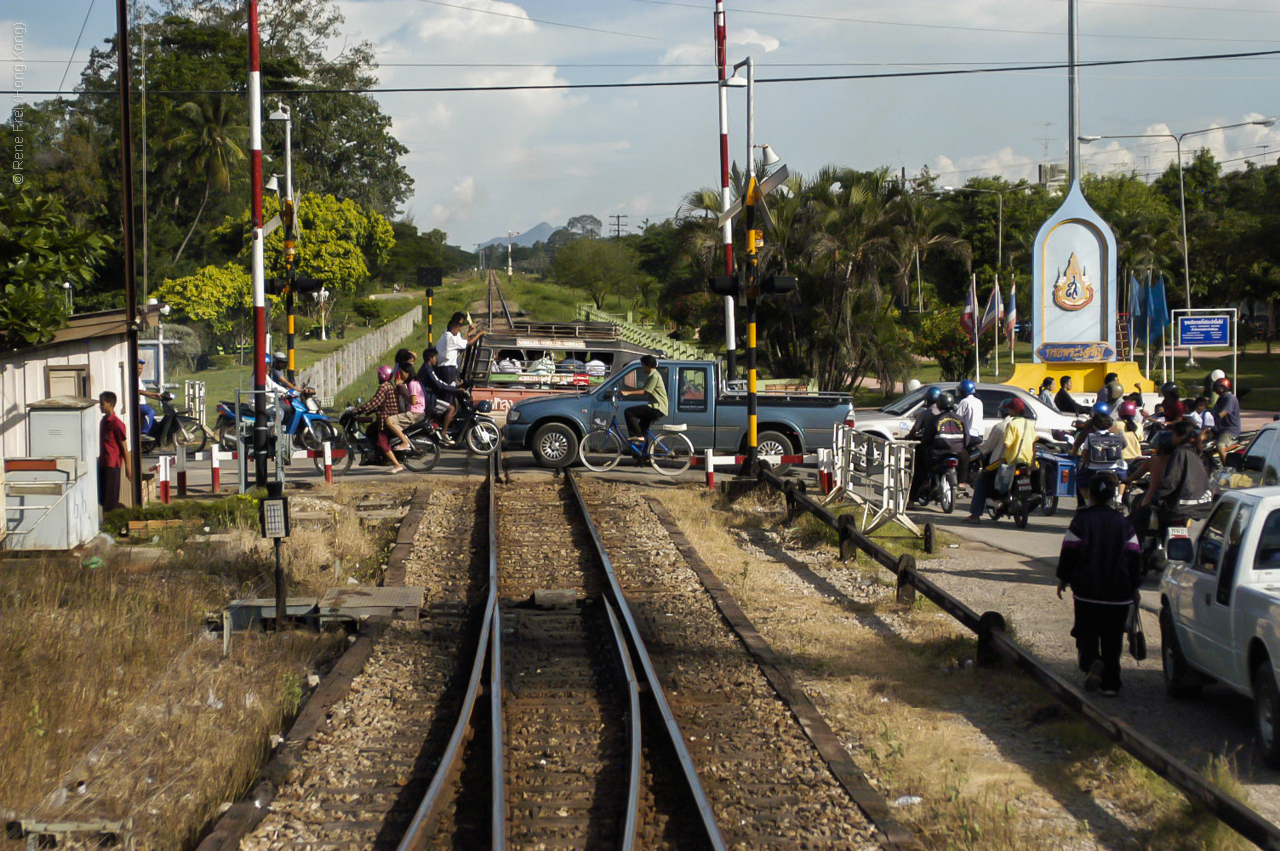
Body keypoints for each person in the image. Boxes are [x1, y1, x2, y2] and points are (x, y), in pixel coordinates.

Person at [1055, 474, 1142, 696]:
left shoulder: (1081, 522)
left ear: (1090, 494)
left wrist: (1063, 578)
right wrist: (1135, 587)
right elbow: (1134, 558)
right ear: (1113, 495)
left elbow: (1069, 554)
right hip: (1119, 593)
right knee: (1113, 638)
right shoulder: (1125, 524)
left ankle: (1091, 664)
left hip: (1087, 591)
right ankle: (1111, 684)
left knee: (1086, 632)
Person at [1131, 419, 1215, 537]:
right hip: (1200, 506)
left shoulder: (1180, 453)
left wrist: (1155, 500)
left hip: (1180, 508)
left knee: (1138, 518)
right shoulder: (1195, 453)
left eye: (1174, 434)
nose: (1172, 438)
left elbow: (1170, 482)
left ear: (1180, 436)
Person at [965, 397, 1036, 523]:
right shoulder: (1029, 424)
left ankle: (975, 515)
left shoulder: (1005, 425)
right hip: (1026, 461)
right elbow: (1033, 444)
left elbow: (999, 446)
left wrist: (1002, 460)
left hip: (1008, 461)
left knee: (981, 480)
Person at [909, 392, 966, 504]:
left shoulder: (935, 419)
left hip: (937, 453)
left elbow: (926, 439)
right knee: (965, 456)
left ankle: (912, 498)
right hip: (957, 452)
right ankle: (962, 482)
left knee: (918, 467)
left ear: (939, 405)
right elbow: (967, 438)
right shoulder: (960, 419)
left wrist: (924, 443)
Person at [350, 366, 404, 472]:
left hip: (386, 420)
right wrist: (368, 411)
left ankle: (397, 465)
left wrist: (358, 410)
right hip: (387, 417)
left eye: (379, 374)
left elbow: (374, 402)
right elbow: (379, 404)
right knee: (370, 430)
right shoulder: (389, 386)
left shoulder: (383, 387)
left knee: (382, 442)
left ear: (384, 375)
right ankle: (380, 456)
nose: (378, 376)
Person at [1074, 402, 1128, 504]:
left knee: (1079, 479)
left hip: (1094, 468)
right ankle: (1119, 498)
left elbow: (1084, 453)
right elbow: (1124, 445)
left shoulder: (1090, 435)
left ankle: (1087, 501)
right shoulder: (1117, 433)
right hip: (1114, 467)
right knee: (1123, 478)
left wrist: (1086, 463)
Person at [620, 355, 667, 461]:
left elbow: (644, 391)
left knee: (629, 412)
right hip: (656, 407)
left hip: (657, 407)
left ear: (647, 365)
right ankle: (643, 457)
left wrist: (627, 393)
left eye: (642, 365)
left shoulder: (654, 375)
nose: (642, 368)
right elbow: (644, 389)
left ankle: (637, 436)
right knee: (643, 429)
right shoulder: (653, 375)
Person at [97, 391, 131, 513]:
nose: (100, 406)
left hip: (112, 464)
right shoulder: (104, 421)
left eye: (102, 404)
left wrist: (128, 468)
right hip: (103, 462)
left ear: (110, 404)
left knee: (110, 501)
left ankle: (122, 516)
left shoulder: (116, 423)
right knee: (102, 499)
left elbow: (124, 447)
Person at [417, 347, 457, 442]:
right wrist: (455, 390)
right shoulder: (428, 370)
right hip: (429, 399)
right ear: (430, 358)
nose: (436, 360)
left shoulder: (428, 367)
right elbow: (439, 384)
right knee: (451, 408)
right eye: (435, 358)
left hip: (429, 396)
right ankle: (444, 432)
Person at [385, 363, 426, 453]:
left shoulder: (412, 383)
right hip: (415, 412)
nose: (400, 375)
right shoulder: (413, 382)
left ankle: (405, 442)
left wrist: (404, 394)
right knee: (395, 426)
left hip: (415, 413)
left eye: (401, 373)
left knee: (389, 421)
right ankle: (404, 442)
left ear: (407, 373)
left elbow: (413, 401)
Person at [436, 313, 485, 385]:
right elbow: (469, 343)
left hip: (443, 367)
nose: (459, 329)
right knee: (450, 390)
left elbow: (463, 343)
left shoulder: (446, 335)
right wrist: (480, 333)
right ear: (453, 328)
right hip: (448, 368)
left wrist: (469, 332)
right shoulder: (451, 338)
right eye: (458, 326)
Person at [954, 379, 983, 486]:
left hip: (969, 435)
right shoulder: (978, 402)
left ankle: (961, 480)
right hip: (979, 435)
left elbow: (957, 418)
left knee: (962, 455)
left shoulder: (964, 402)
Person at [1207, 377, 1241, 460]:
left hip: (1230, 430)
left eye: (1217, 386)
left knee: (1220, 445)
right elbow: (1213, 412)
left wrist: (1215, 415)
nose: (1215, 388)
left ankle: (1226, 467)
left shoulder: (1230, 398)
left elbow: (1223, 413)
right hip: (1219, 429)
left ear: (1223, 387)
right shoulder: (1221, 398)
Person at [136, 359, 162, 434]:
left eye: (141, 369)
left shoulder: (139, 379)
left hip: (143, 404)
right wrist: (153, 394)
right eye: (138, 369)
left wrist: (159, 398)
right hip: (139, 405)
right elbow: (139, 391)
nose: (140, 371)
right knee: (150, 412)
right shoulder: (133, 379)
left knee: (155, 424)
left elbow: (145, 393)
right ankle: (144, 432)